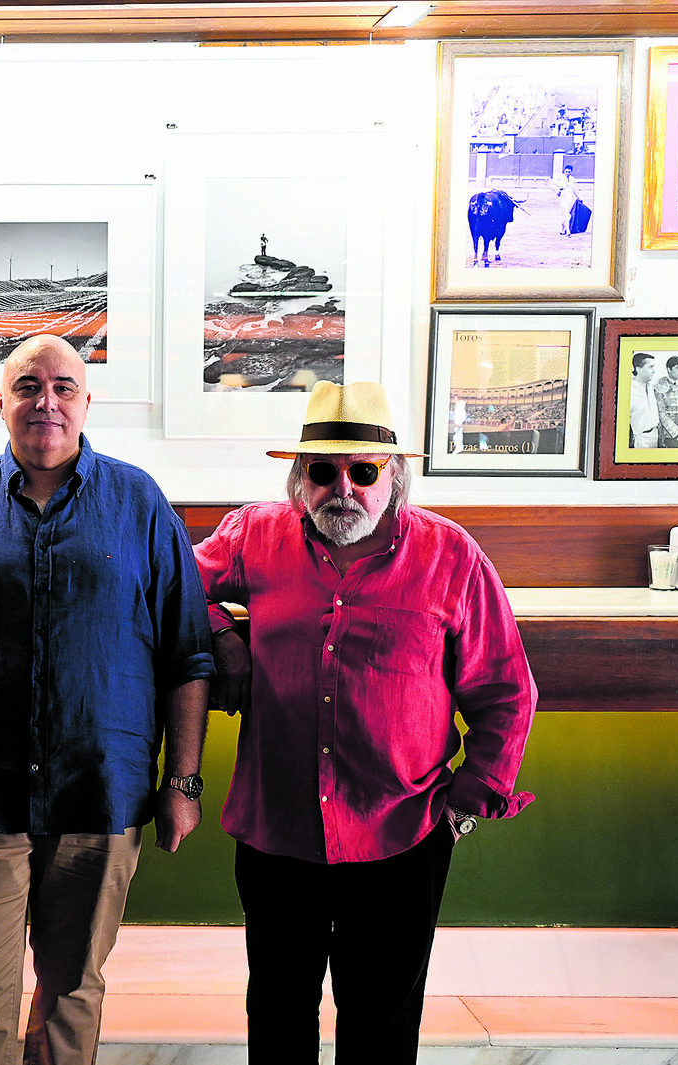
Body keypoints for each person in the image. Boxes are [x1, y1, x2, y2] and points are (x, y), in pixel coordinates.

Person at [0, 333, 213, 1065]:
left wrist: (182, 784)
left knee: (72, 996)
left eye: (64, 386)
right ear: (0, 401)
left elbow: (187, 657)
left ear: (87, 402)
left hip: (105, 794)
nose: (47, 401)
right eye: (29, 385)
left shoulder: (141, 503)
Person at [192, 380, 537, 1064]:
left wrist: (465, 804)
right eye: (322, 471)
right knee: (278, 1015)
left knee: (381, 1027)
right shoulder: (252, 535)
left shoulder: (451, 555)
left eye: (362, 471)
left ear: (395, 477)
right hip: (278, 831)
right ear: (300, 480)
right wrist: (220, 637)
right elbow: (173, 586)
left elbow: (505, 689)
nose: (341, 487)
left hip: (400, 833)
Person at [629, 353, 661, 447]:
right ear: (639, 369)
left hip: (655, 436)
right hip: (640, 441)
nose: (654, 371)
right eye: (651, 367)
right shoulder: (629, 389)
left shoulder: (650, 386)